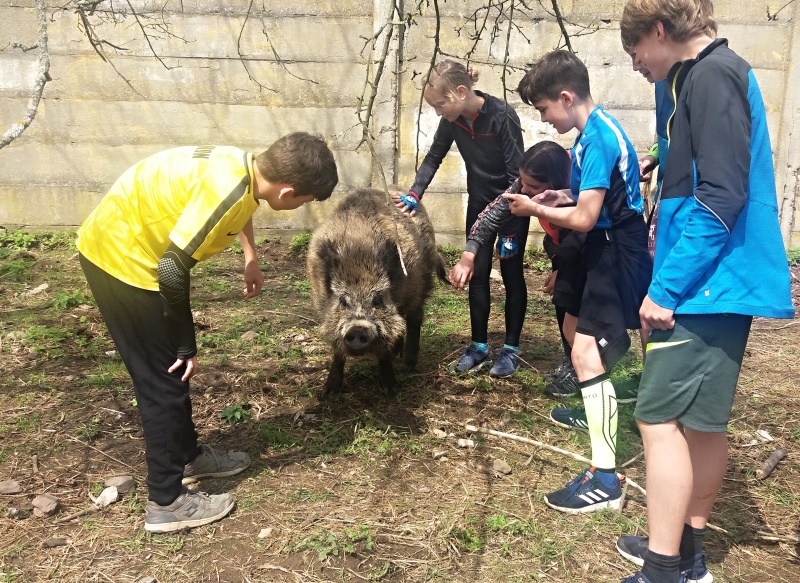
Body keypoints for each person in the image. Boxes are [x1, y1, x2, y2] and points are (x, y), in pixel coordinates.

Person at [76, 133, 338, 533]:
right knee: (164, 381)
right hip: (121, 261)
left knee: (171, 374)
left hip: (129, 245)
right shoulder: (227, 189)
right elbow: (171, 269)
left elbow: (240, 206)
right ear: (286, 191)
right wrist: (186, 344)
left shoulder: (247, 167)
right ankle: (166, 502)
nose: (301, 206)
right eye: (304, 200)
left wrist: (251, 256)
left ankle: (189, 455)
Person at [617, 1, 794, 582]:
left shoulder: (712, 76)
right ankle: (686, 556)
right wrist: (661, 159)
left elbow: (721, 195)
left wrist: (666, 288)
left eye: (635, 51)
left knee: (657, 418)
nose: (635, 63)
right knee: (701, 423)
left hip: (704, 284)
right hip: (716, 282)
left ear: (659, 30)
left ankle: (663, 567)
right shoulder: (703, 75)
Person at [501, 50, 652, 513]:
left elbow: (587, 218)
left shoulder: (599, 138)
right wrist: (560, 194)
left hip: (616, 249)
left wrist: (535, 207)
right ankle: (602, 460)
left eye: (545, 109)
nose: (544, 119)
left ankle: (606, 479)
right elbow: (594, 196)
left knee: (588, 354)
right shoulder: (595, 132)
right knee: (587, 354)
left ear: (567, 97)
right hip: (607, 246)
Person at [394, 59, 527, 378]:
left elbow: (517, 179)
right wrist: (414, 193)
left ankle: (510, 349)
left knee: (511, 275)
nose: (438, 113)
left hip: (512, 207)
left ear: (461, 93)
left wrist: (501, 225)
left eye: (440, 105)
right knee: (477, 275)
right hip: (479, 204)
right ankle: (479, 346)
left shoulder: (502, 116)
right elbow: (433, 157)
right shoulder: (453, 121)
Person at [448, 141, 583, 398]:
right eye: (522, 181)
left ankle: (585, 369)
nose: (524, 189)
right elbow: (492, 214)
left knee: (576, 304)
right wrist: (468, 255)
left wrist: (567, 268)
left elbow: (589, 229)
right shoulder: (525, 185)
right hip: (561, 246)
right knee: (562, 301)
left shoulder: (582, 184)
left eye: (533, 186)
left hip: (589, 249)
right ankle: (571, 361)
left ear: (555, 183)